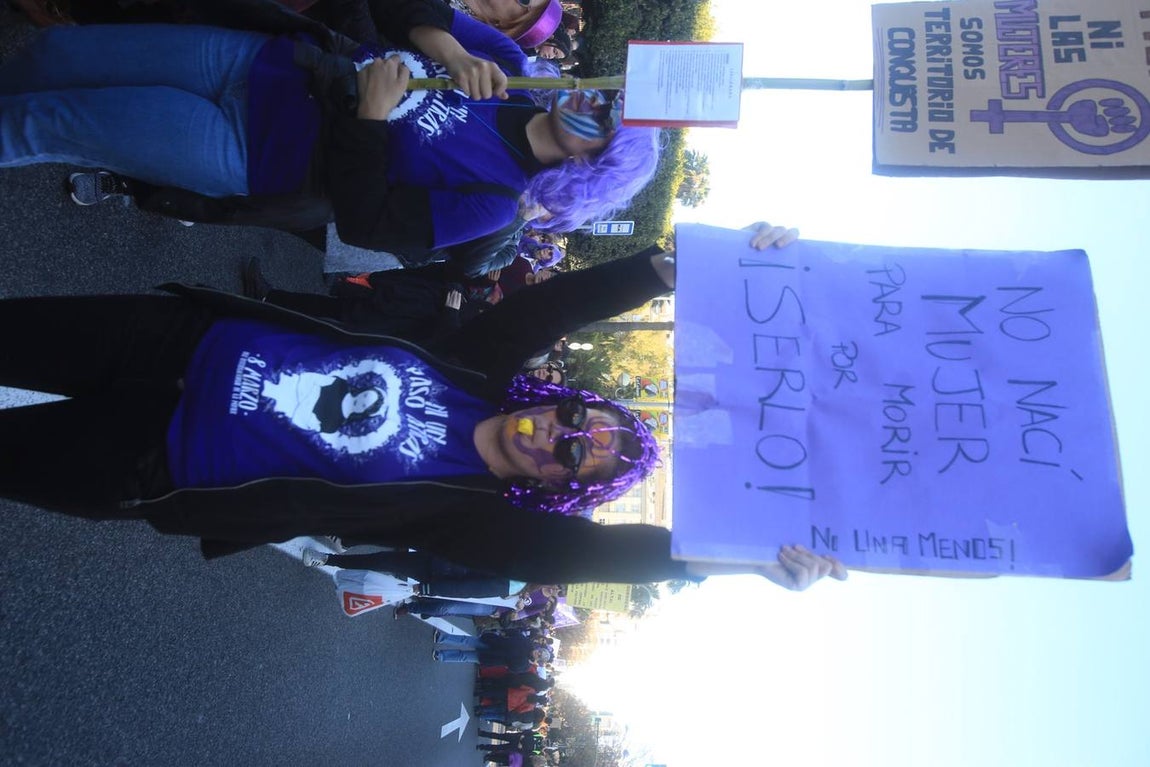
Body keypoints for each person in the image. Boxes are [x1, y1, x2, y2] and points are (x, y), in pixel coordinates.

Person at [0, 223, 846, 590]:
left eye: (572, 457)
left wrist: (745, 559)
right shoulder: (476, 366)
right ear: (556, 402)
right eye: (576, 422)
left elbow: (603, 558)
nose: (559, 438)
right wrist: (698, 264)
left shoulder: (464, 517)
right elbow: (556, 309)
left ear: (556, 489)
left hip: (152, 458)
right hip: (175, 339)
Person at [0, 0, 659, 263]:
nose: (587, 98)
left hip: (250, 148)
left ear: (587, 164)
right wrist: (453, 51)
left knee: (51, 122)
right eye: (606, 94)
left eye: (600, 117)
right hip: (261, 62)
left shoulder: (493, 200)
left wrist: (372, 118)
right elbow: (405, 7)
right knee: (55, 56)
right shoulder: (513, 68)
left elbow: (369, 223)